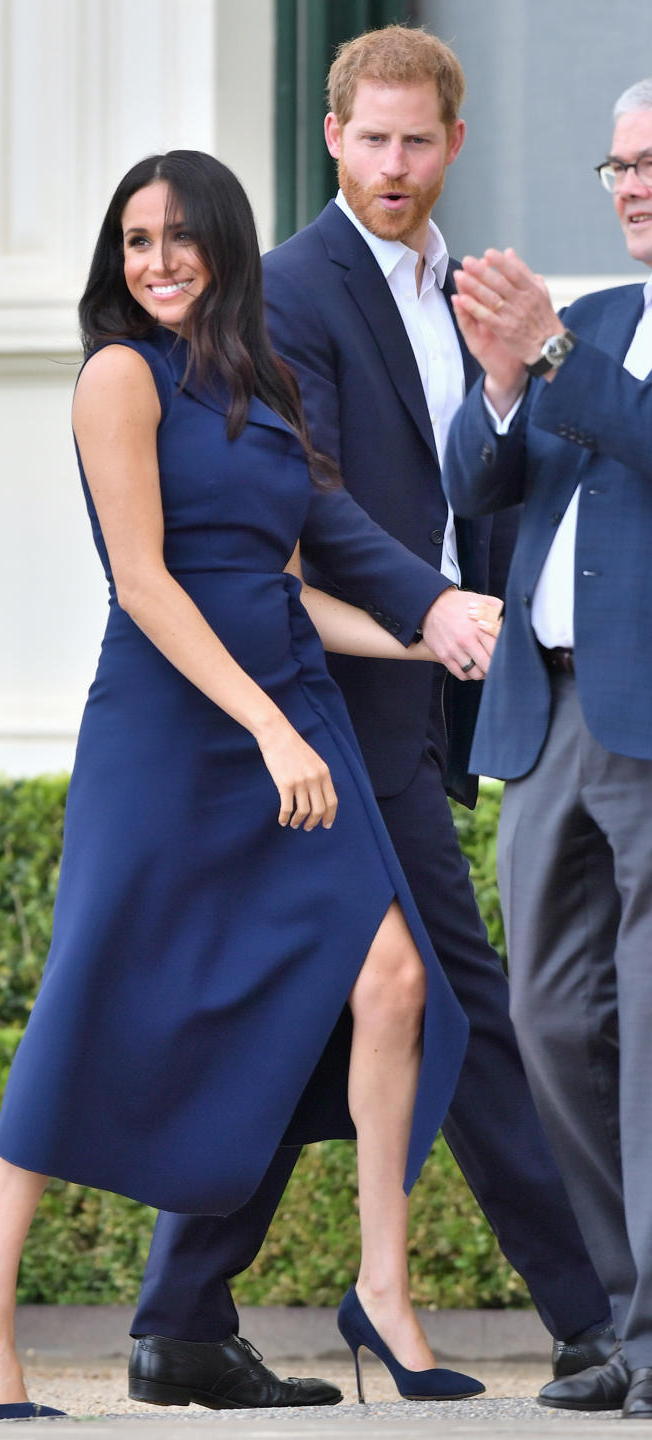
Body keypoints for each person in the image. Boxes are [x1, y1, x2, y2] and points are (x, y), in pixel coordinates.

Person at [0, 149, 489, 1424]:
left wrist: (435, 631)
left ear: (226, 247)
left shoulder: (259, 382)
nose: (158, 261)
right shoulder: (116, 375)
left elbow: (276, 586)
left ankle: (384, 1292)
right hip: (173, 730)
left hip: (282, 705)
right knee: (88, 1000)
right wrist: (270, 733)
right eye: (136, 239)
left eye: (180, 237)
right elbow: (149, 584)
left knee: (397, 981)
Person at [128, 24, 614, 1411]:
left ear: (456, 145)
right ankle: (602, 1313)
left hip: (419, 701)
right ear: (333, 136)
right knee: (469, 997)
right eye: (372, 139)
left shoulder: (462, 287)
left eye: (420, 142)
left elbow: (484, 479)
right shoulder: (289, 288)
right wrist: (431, 607)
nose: (396, 166)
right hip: (326, 696)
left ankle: (177, 1316)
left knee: (317, 1013)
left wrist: (522, 401)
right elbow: (312, 497)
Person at [444, 76, 652, 1423]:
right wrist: (506, 386)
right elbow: (484, 489)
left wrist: (562, 367)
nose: (632, 184)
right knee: (550, 1016)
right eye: (619, 165)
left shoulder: (596, 346)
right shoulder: (604, 322)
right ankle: (628, 1318)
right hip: (550, 709)